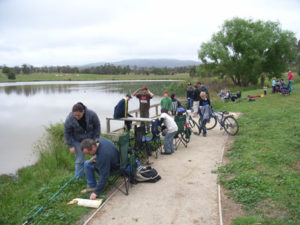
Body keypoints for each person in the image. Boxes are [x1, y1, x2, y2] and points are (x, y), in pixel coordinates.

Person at [64, 102, 101, 179]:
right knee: (79, 159)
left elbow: (97, 125)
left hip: (91, 139)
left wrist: (96, 137)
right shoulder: (69, 118)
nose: (77, 117)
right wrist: (71, 145)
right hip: (77, 140)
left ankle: (99, 173)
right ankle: (79, 178)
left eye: (79, 115)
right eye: (75, 115)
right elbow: (67, 132)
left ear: (83, 111)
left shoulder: (92, 114)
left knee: (96, 156)